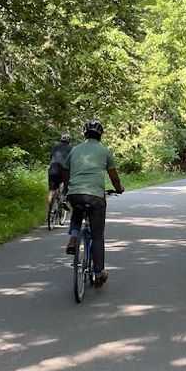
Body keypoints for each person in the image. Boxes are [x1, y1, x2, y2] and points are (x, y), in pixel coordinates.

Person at [63, 119, 123, 287]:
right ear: (100, 135)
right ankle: (99, 273)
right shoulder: (104, 151)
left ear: (84, 134)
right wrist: (119, 188)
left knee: (77, 208)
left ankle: (74, 237)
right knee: (97, 236)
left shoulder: (75, 150)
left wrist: (68, 188)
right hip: (95, 196)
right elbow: (113, 176)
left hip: (75, 193)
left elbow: (65, 169)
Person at [47, 133, 72, 218]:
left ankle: (49, 211)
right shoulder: (70, 148)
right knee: (66, 185)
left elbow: (51, 157)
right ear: (69, 141)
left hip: (53, 167)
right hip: (64, 169)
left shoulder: (55, 147)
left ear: (61, 139)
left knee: (51, 190)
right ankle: (64, 199)